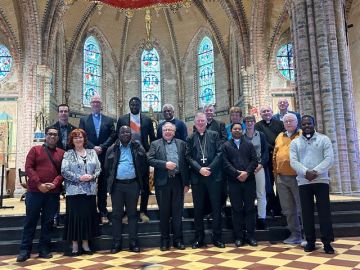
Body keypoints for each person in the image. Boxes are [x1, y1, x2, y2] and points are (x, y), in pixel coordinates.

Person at [16, 127, 65, 262]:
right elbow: (29, 168)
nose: (52, 136)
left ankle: (44, 249)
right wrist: (39, 184)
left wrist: (55, 183)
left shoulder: (61, 153)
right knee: (30, 221)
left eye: (55, 134)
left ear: (58, 137)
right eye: (50, 134)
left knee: (48, 222)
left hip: (52, 193)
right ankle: (25, 250)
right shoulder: (35, 150)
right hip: (35, 192)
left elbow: (63, 172)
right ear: (45, 136)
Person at [290, 115, 335, 254]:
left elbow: (329, 159)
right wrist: (305, 172)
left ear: (314, 124)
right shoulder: (295, 143)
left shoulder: (324, 139)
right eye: (304, 124)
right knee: (306, 213)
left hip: (321, 181)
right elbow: (293, 161)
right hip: (304, 182)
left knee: (324, 213)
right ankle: (310, 241)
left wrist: (315, 171)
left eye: (309, 123)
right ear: (301, 126)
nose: (306, 126)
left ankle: (327, 242)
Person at [104, 125, 147, 253]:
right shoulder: (112, 149)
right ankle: (116, 242)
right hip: (117, 186)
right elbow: (107, 168)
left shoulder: (138, 147)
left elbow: (144, 165)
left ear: (131, 134)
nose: (125, 134)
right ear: (118, 134)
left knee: (132, 214)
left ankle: (133, 242)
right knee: (116, 215)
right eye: (122, 132)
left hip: (133, 185)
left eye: (127, 132)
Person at [148, 122, 189, 251]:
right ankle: (165, 240)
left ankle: (178, 240)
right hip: (162, 182)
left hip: (178, 181)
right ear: (161, 131)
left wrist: (186, 183)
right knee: (164, 213)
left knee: (177, 212)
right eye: (165, 129)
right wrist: (164, 164)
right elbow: (149, 159)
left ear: (174, 131)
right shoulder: (155, 144)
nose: (167, 132)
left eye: (170, 129)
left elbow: (186, 164)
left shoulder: (181, 144)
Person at [186, 112, 224, 248]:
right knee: (198, 209)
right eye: (198, 121)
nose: (201, 123)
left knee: (216, 208)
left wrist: (209, 168)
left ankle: (217, 237)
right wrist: (199, 169)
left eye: (203, 121)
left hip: (214, 177)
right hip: (197, 178)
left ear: (206, 122)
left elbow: (220, 153)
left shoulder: (214, 135)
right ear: (195, 123)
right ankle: (199, 237)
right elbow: (188, 157)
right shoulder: (190, 138)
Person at [61, 129, 101, 256]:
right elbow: (64, 171)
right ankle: (74, 245)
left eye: (80, 137)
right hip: (74, 191)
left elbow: (99, 168)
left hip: (89, 191)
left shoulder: (92, 153)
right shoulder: (68, 154)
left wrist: (93, 176)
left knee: (87, 217)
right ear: (72, 141)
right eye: (75, 138)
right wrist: (79, 178)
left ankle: (85, 244)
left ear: (84, 139)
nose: (78, 139)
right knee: (75, 218)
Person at [116, 97, 156, 223]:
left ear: (140, 106)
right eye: (132, 105)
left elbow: (153, 138)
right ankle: (128, 213)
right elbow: (117, 137)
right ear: (129, 106)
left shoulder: (147, 120)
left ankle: (143, 211)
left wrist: (150, 153)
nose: (134, 106)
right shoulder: (122, 119)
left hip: (142, 155)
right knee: (128, 186)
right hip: (126, 155)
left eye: (136, 104)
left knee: (144, 185)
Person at [79, 95, 115, 224]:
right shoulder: (84, 120)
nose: (95, 104)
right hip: (89, 156)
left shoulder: (109, 120)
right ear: (90, 104)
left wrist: (102, 147)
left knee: (103, 186)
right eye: (93, 102)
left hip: (104, 156)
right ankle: (90, 213)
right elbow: (81, 135)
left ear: (101, 105)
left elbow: (113, 136)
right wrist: (93, 147)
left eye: (98, 102)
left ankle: (103, 212)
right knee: (89, 184)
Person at [223, 123, 258, 247]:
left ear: (242, 130)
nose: (237, 130)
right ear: (231, 131)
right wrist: (237, 173)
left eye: (239, 128)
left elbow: (255, 160)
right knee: (236, 209)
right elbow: (225, 163)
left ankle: (251, 236)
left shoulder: (249, 144)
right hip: (233, 182)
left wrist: (247, 173)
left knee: (250, 209)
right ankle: (238, 237)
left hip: (249, 181)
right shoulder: (226, 145)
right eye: (234, 129)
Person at [273, 113, 302, 244]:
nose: (288, 123)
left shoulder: (301, 135)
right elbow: (275, 154)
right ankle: (295, 235)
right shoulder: (280, 136)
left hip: (298, 177)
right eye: (286, 122)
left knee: (302, 207)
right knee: (288, 209)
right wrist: (276, 173)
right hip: (281, 177)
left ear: (297, 122)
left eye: (291, 121)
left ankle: (308, 235)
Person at [255, 105, 284, 216]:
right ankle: (269, 207)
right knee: (268, 185)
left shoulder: (280, 124)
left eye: (268, 110)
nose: (266, 113)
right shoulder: (257, 125)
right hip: (266, 159)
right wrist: (272, 148)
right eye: (264, 111)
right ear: (260, 114)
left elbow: (282, 137)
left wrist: (276, 148)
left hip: (278, 158)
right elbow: (261, 141)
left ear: (272, 112)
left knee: (280, 184)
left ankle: (279, 208)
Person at [50, 104, 76, 226]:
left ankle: (70, 216)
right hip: (56, 163)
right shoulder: (51, 129)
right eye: (61, 111)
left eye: (66, 111)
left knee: (70, 191)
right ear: (58, 113)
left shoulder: (74, 129)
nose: (63, 113)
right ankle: (55, 217)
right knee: (55, 191)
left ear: (68, 113)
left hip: (71, 164)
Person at [243, 115, 269, 229]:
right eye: (247, 121)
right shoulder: (241, 135)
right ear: (244, 123)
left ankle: (261, 218)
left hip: (258, 168)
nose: (249, 123)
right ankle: (248, 217)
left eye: (251, 121)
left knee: (261, 193)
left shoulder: (261, 135)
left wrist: (261, 164)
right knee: (247, 194)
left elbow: (265, 152)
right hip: (246, 169)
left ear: (254, 122)